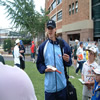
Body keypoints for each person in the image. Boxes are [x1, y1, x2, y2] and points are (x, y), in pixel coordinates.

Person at [36, 19, 72, 100]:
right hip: (49, 89)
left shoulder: (63, 45)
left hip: (62, 87)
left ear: (55, 29)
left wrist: (68, 60)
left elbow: (69, 62)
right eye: (48, 28)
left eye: (52, 28)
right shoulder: (43, 47)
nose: (50, 30)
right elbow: (39, 64)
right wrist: (45, 69)